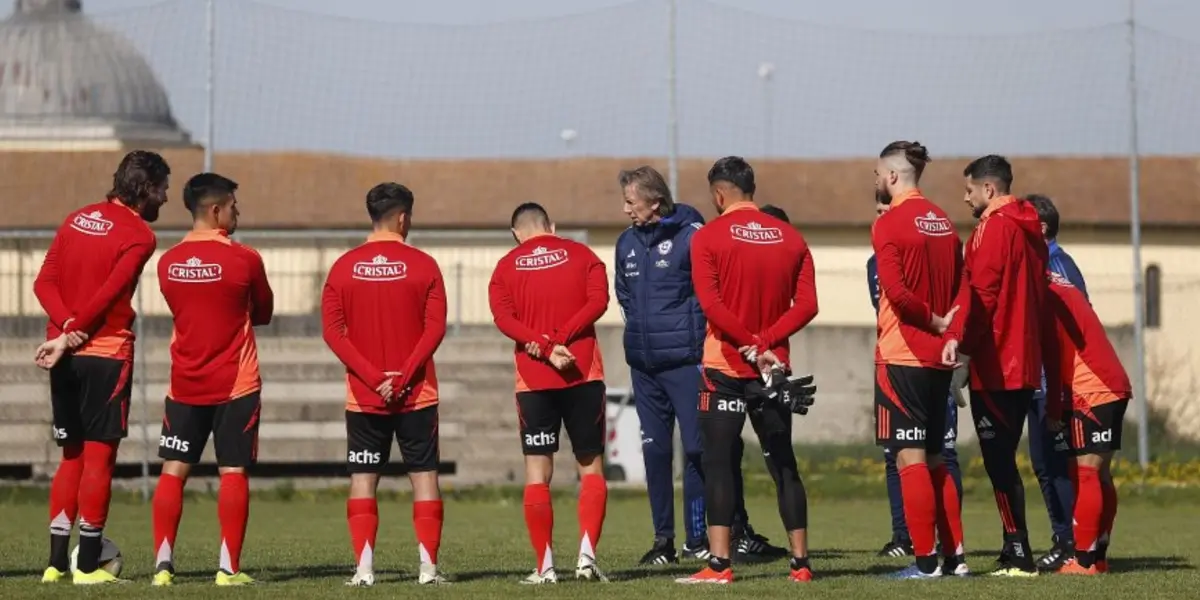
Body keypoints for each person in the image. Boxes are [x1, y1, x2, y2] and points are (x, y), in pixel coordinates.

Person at [616, 168, 785, 566]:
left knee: (697, 449)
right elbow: (623, 294)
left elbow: (713, 293)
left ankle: (699, 537)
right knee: (655, 451)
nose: (625, 210)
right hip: (643, 365)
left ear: (654, 202)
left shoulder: (693, 237)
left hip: (688, 361)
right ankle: (663, 543)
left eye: (630, 201)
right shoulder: (626, 243)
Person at [676, 156, 819, 585]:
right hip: (774, 370)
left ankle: (719, 566)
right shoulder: (791, 238)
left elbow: (712, 306)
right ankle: (801, 564)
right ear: (751, 189)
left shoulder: (709, 237)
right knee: (784, 465)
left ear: (719, 194)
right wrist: (768, 343)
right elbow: (809, 305)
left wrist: (750, 345)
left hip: (725, 367)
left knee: (718, 463)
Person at [32, 150, 170, 585]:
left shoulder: (76, 218)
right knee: (98, 460)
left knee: (70, 456)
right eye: (163, 189)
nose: (166, 198)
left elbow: (43, 282)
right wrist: (75, 332)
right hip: (104, 352)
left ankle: (55, 565)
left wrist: (63, 333)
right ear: (146, 189)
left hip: (64, 354)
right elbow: (111, 293)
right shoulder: (141, 235)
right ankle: (88, 566)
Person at [321, 183, 449, 587]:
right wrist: (404, 374)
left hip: (364, 396)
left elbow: (332, 333)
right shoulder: (425, 264)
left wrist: (375, 379)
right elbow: (435, 329)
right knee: (424, 476)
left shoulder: (343, 267)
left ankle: (364, 570)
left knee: (363, 479)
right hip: (417, 394)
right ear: (403, 218)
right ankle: (428, 570)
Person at [150, 173, 274, 587]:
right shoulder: (245, 259)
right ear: (217, 210)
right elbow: (263, 311)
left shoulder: (167, 262)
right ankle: (228, 569)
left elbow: (181, 309)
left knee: (173, 471)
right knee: (233, 472)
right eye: (235, 206)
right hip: (235, 383)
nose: (238, 212)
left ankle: (163, 567)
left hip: (185, 382)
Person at [941, 155, 1061, 576]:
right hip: (1024, 361)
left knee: (998, 460)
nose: (965, 197)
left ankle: (1018, 552)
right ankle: (1017, 547)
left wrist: (965, 351)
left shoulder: (993, 228)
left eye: (970, 189)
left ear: (988, 189)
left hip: (996, 361)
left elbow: (983, 296)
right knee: (1005, 458)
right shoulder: (1031, 229)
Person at [487, 202, 611, 584]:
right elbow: (599, 301)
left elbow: (503, 318)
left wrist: (541, 341)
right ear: (552, 227)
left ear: (515, 233)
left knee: (537, 471)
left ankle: (545, 567)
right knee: (589, 466)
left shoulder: (506, 266)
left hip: (534, 376)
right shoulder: (584, 255)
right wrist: (562, 338)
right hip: (582, 371)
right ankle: (587, 559)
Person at [869, 141, 967, 579]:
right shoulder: (944, 221)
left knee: (909, 460)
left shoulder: (890, 223)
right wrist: (950, 333)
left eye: (877, 175)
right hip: (939, 358)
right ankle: (956, 559)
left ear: (891, 177)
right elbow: (966, 288)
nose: (876, 182)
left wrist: (931, 320)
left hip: (903, 353)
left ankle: (925, 563)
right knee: (935, 458)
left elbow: (896, 292)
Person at [1042, 271, 1129, 575]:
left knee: (1087, 473)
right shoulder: (1063, 284)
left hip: (1092, 387)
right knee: (1101, 473)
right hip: (1112, 383)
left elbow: (1055, 360)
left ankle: (1083, 560)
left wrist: (1054, 408)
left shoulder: (1047, 297)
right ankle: (1099, 556)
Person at [1018, 193, 1089, 570]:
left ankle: (1072, 542)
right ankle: (1064, 539)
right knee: (1044, 463)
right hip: (1037, 379)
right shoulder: (1037, 263)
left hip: (1055, 381)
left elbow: (1076, 322)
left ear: (1040, 227)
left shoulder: (1056, 264)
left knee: (1057, 464)